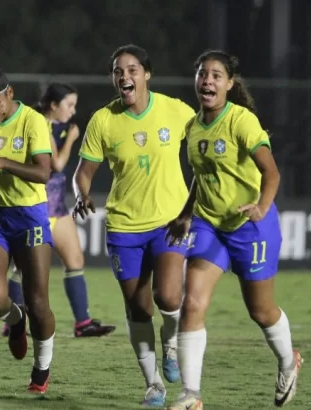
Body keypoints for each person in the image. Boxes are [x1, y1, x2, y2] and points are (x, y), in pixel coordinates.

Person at [164, 50, 302, 410]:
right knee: (191, 301)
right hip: (210, 225)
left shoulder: (241, 121)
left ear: (229, 84)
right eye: (202, 74)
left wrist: (261, 206)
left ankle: (289, 361)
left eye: (215, 75)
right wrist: (185, 213)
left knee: (261, 311)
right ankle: (191, 396)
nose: (207, 80)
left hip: (250, 224)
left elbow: (271, 173)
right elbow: (203, 173)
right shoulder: (193, 127)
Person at [72, 44, 195, 407]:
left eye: (132, 69)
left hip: (170, 223)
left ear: (146, 74)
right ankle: (154, 384)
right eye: (118, 71)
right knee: (138, 309)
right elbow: (84, 172)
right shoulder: (103, 120)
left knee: (168, 297)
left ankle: (171, 343)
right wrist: (82, 194)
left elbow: (205, 138)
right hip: (125, 228)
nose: (124, 76)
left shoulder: (175, 111)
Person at [0, 56, 56, 394]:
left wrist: (2, 162)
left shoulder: (31, 120)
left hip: (29, 215)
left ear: (10, 93)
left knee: (39, 302)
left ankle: (41, 371)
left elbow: (44, 173)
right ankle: (17, 323)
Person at [4, 83, 116, 338]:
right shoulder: (40, 124)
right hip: (37, 209)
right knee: (23, 269)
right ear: (53, 106)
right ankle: (14, 319)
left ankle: (82, 323)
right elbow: (56, 163)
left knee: (75, 261)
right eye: (69, 105)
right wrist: (73, 139)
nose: (73, 111)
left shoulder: (52, 126)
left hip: (57, 208)